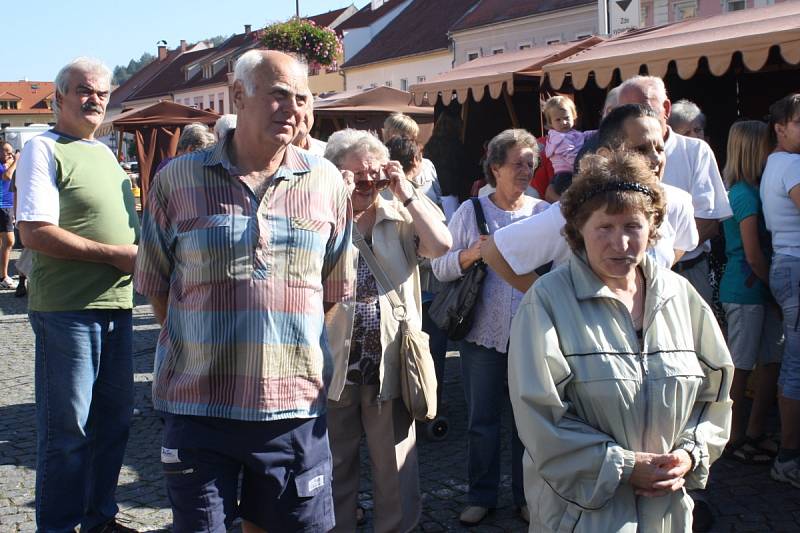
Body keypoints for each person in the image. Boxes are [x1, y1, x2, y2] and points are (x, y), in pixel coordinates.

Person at [134, 50, 354, 532]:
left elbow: (333, 289)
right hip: (199, 408)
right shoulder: (178, 180)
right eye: (278, 94)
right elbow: (156, 286)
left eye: (301, 98)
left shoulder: (327, 182)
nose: (293, 109)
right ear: (238, 95)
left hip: (293, 409)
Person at [509, 150, 733, 532]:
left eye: (633, 226)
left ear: (653, 226)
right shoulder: (546, 302)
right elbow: (540, 417)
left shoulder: (681, 297)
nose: (621, 242)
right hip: (581, 517)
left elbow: (716, 397)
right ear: (579, 227)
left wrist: (691, 454)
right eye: (605, 227)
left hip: (666, 512)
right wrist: (625, 467)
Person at [15, 57, 140, 533]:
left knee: (114, 426)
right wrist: (114, 254)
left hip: (118, 307)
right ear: (59, 98)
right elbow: (35, 234)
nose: (95, 100)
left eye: (103, 93)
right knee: (69, 433)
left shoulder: (106, 153)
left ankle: (100, 518)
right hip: (67, 311)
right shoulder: (43, 150)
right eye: (84, 91)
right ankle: (59, 526)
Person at [323, 129, 451, 533]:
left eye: (373, 175)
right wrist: (337, 203)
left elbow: (442, 245)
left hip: (388, 360)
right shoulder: (318, 214)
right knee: (334, 464)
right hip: (333, 362)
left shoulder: (399, 214)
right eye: (355, 176)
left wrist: (407, 191)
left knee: (394, 466)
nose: (366, 184)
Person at [431, 129, 549, 526]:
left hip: (530, 336)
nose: (525, 170)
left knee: (526, 423)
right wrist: (472, 254)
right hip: (481, 336)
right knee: (482, 421)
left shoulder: (542, 214)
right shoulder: (470, 212)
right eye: (517, 163)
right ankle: (481, 495)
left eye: (530, 163)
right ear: (495, 167)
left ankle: (527, 496)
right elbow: (440, 267)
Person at [481, 104, 697, 293]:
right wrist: (557, 304)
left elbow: (681, 244)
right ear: (605, 156)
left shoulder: (677, 202)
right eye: (640, 149)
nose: (655, 158)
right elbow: (494, 251)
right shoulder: (575, 210)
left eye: (659, 148)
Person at [617, 75, 732, 308]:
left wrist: (659, 263)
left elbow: (708, 221)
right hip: (630, 277)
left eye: (643, 107)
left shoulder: (695, 150)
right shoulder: (615, 153)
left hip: (686, 272)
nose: (636, 116)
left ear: (666, 108)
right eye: (626, 110)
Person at [718, 120, 782, 464]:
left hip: (760, 291)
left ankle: (754, 432)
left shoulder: (754, 190)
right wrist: (775, 290)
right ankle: (732, 437)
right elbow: (753, 253)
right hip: (746, 292)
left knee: (771, 360)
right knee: (740, 368)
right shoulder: (743, 193)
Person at [760, 93, 800, 488]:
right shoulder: (792, 164)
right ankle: (789, 457)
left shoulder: (777, 162)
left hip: (786, 264)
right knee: (797, 364)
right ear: (781, 128)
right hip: (796, 265)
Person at [541, 95, 593, 202]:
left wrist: (598, 132)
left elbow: (583, 136)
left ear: (574, 116)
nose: (563, 122)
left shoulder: (570, 133)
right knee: (577, 198)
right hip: (565, 176)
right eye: (558, 120)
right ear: (550, 123)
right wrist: (585, 167)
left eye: (566, 118)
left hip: (566, 173)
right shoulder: (559, 138)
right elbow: (571, 156)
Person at [423, 112, 469, 220]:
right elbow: (463, 171)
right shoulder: (456, 146)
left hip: (432, 193)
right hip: (451, 194)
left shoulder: (430, 144)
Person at [0, 142, 19, 288]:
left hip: (8, 207)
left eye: (11, 152)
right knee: (10, 242)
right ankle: (4, 277)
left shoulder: (7, 163)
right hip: (3, 207)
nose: (10, 155)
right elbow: (7, 177)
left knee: (3, 243)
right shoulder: (3, 165)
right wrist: (16, 161)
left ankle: (2, 276)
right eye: (6, 152)